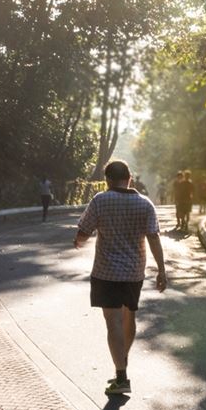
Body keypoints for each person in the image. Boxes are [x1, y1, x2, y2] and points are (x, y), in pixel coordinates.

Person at [73, 159, 166, 395]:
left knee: (112, 321)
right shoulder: (145, 204)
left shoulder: (100, 200)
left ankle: (121, 375)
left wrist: (78, 241)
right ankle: (121, 360)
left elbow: (84, 231)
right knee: (129, 317)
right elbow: (153, 237)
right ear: (130, 178)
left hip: (107, 272)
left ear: (107, 180)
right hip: (134, 272)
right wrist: (162, 270)